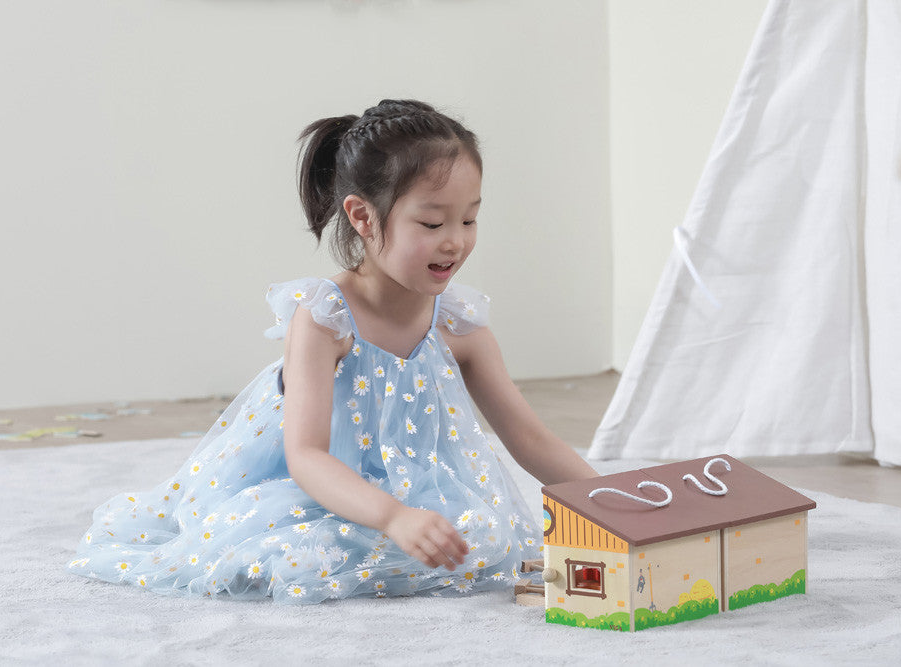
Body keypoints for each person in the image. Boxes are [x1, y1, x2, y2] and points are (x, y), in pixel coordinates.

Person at [68, 99, 598, 603]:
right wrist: (393, 517)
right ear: (363, 218)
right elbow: (307, 456)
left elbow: (529, 437)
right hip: (317, 483)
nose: (455, 241)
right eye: (433, 224)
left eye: (469, 220)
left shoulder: (459, 324)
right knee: (291, 553)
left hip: (414, 486)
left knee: (482, 537)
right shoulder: (326, 320)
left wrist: (614, 501)